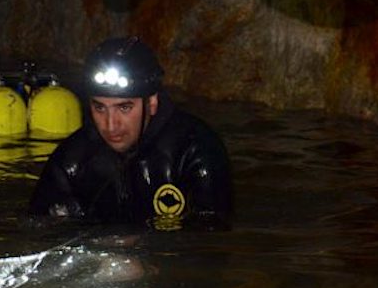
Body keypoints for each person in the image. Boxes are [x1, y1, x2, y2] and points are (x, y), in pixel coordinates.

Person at [28, 36, 233, 230]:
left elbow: (209, 247)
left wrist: (143, 254)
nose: (111, 125)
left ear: (151, 103)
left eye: (124, 108)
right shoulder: (72, 160)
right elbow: (39, 232)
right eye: (100, 108)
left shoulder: (195, 152)